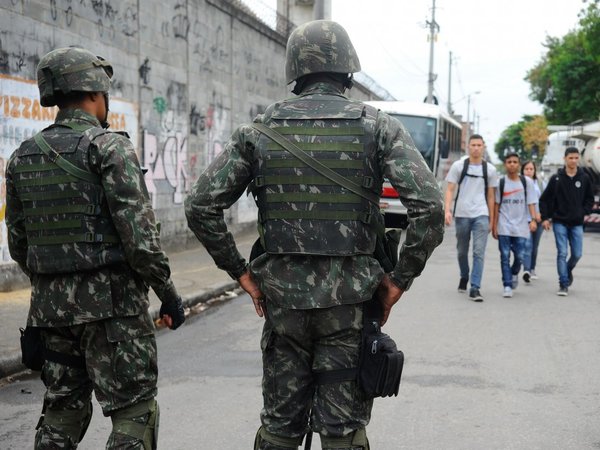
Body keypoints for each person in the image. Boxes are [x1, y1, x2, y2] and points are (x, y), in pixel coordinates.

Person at [185, 20, 444, 450]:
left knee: (280, 428)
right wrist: (398, 281)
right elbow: (431, 208)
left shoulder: (259, 131)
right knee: (342, 432)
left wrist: (241, 273)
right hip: (350, 307)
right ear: (348, 71)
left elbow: (200, 205)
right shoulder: (377, 126)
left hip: (282, 305)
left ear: (295, 72)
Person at [4, 47, 185, 449]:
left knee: (62, 410)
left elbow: (19, 245)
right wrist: (169, 296)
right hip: (113, 312)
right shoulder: (109, 149)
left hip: (50, 313)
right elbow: (142, 244)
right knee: (134, 411)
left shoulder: (22, 158)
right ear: (94, 92)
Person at [444, 134, 499, 301]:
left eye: (479, 145)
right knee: (462, 251)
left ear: (483, 147)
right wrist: (447, 210)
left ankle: (475, 287)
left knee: (478, 252)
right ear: (468, 147)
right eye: (473, 145)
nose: (476, 148)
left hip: (481, 214)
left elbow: (491, 196)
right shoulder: (459, 166)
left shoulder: (490, 169)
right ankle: (464, 275)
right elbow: (450, 189)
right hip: (462, 214)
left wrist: (491, 219)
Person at [539, 147, 594, 296]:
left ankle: (567, 269)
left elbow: (590, 198)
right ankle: (563, 283)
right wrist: (545, 218)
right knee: (562, 253)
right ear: (565, 159)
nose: (574, 161)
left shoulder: (584, 178)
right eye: (571, 158)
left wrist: (584, 211)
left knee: (577, 254)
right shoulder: (556, 178)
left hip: (577, 222)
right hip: (560, 222)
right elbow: (544, 199)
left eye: (576, 158)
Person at [491, 153, 537, 298]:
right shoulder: (501, 183)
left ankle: (514, 273)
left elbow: (531, 203)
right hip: (504, 225)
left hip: (521, 226)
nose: (512, 164)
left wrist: (534, 220)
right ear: (505, 164)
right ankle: (507, 284)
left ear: (519, 164)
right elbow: (496, 205)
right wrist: (494, 225)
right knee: (504, 256)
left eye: (515, 162)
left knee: (520, 256)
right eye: (509, 162)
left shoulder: (527, 182)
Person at [520, 160, 544, 282]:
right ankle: (526, 270)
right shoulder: (519, 183)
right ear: (522, 170)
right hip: (525, 219)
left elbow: (545, 200)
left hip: (539, 219)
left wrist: (544, 216)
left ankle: (532, 268)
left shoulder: (539, 183)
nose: (529, 171)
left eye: (531, 169)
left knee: (535, 246)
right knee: (527, 245)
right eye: (526, 169)